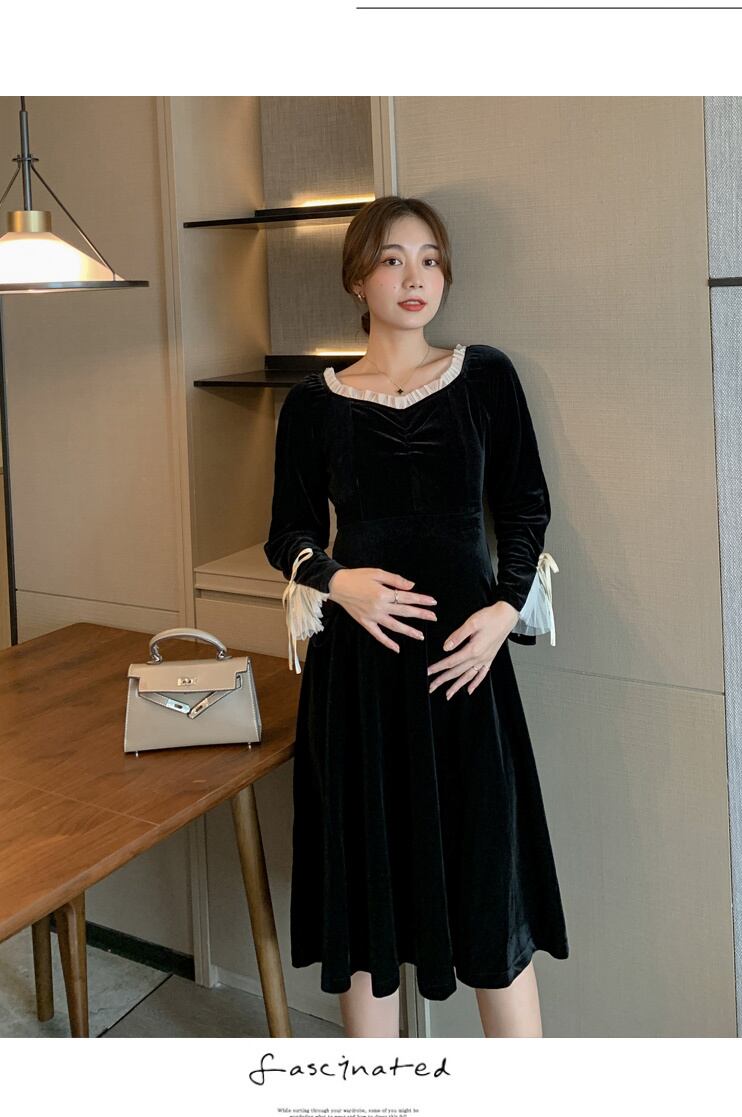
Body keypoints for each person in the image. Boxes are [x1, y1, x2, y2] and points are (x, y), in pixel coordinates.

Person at [264, 195, 569, 1038]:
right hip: (358, 688)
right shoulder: (314, 403)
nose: (415, 277)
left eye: (430, 259)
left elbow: (525, 507)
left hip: (465, 676)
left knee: (490, 894)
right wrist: (339, 582)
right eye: (393, 259)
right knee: (369, 910)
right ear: (357, 277)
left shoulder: (486, 377)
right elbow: (287, 533)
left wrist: (504, 610)